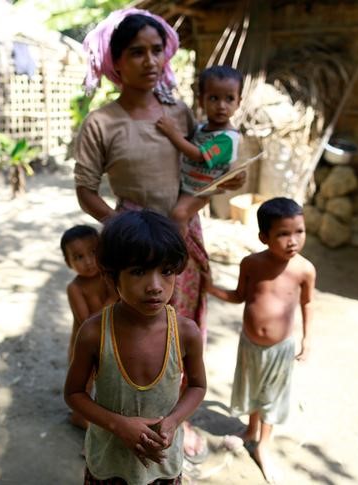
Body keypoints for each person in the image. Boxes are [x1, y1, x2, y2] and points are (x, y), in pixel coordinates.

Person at [74, 8, 245, 461]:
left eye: (156, 51)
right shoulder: (102, 123)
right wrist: (123, 228)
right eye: (136, 52)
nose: (150, 61)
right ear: (116, 60)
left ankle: (174, 420)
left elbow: (202, 171)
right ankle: (119, 419)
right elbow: (85, 191)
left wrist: (211, 192)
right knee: (130, 332)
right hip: (129, 246)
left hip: (180, 238)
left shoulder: (182, 113)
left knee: (179, 330)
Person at [64, 209, 206, 484]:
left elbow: (197, 386)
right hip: (108, 462)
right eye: (138, 272)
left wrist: (174, 420)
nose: (155, 286)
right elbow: (74, 393)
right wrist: (119, 425)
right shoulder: (94, 333)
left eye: (166, 271)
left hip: (162, 464)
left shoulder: (186, 333)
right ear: (111, 277)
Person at [205, 197, 316, 484]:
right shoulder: (251, 264)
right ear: (263, 237)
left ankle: (263, 446)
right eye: (283, 233)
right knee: (253, 389)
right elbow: (239, 296)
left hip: (281, 349)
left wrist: (308, 340)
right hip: (250, 344)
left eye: (299, 231)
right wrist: (211, 288)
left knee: (271, 397)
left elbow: (308, 304)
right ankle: (250, 431)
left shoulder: (304, 270)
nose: (293, 240)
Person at [156, 65, 242, 235]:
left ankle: (176, 251)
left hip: (201, 191)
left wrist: (172, 133)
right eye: (214, 98)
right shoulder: (201, 128)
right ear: (201, 100)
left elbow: (198, 156)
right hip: (188, 185)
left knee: (179, 214)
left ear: (239, 102)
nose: (222, 106)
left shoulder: (228, 138)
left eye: (229, 99)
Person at [61, 224, 118, 429]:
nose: (88, 261)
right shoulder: (74, 288)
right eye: (78, 257)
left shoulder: (108, 276)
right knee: (83, 386)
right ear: (68, 262)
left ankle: (99, 417)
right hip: (84, 347)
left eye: (93, 252)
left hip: (110, 343)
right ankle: (79, 417)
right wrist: (112, 298)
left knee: (109, 383)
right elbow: (88, 323)